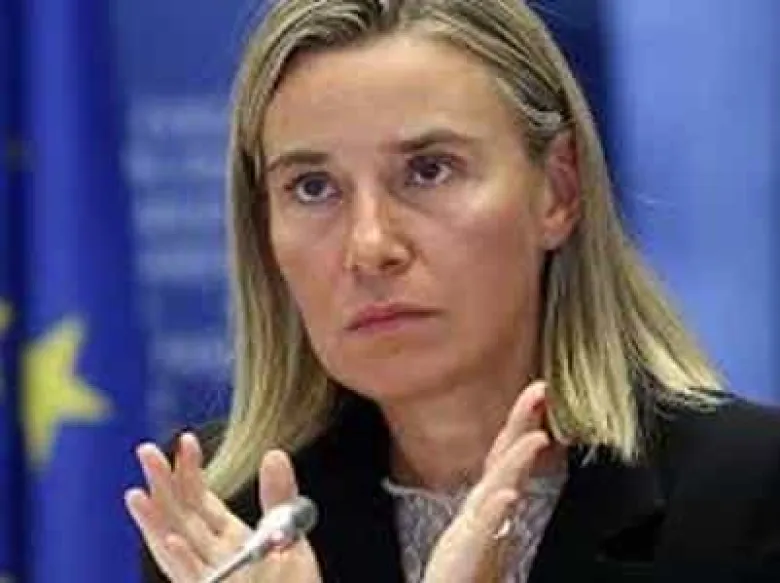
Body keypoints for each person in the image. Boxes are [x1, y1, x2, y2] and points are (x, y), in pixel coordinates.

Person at [124, 0, 780, 581]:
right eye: (313, 187)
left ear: (558, 190)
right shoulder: (226, 523)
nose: (370, 245)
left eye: (429, 170)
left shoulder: (749, 499)